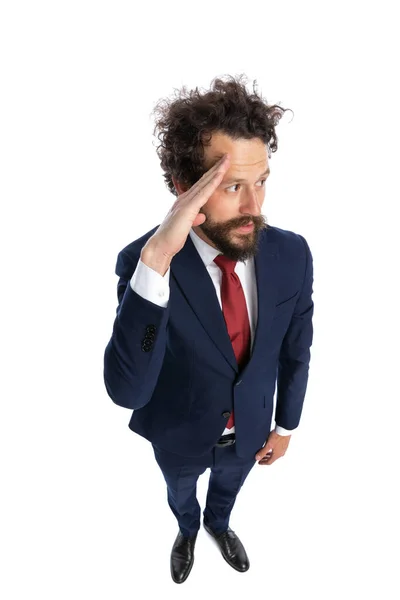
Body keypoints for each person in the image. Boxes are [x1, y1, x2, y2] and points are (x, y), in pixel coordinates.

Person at [103, 74, 314, 584]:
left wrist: (286, 425)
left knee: (229, 488)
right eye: (233, 186)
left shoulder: (291, 253)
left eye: (261, 180)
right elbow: (128, 389)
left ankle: (219, 523)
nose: (253, 207)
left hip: (252, 427)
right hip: (179, 431)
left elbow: (296, 348)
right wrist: (157, 258)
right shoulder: (145, 263)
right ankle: (187, 530)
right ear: (184, 187)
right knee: (181, 491)